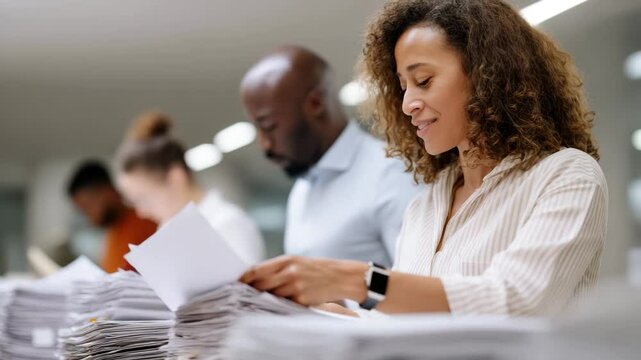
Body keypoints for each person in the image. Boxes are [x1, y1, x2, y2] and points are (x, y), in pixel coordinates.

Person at [241, 0, 608, 317]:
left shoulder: (567, 176)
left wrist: (356, 280)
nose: (407, 104)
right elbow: (408, 328)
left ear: (486, 75)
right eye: (403, 87)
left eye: (424, 81)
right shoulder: (427, 204)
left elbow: (517, 300)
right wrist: (317, 313)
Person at [240, 46, 422, 267]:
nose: (265, 145)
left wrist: (347, 292)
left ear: (315, 104)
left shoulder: (392, 173)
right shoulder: (302, 189)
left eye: (269, 126)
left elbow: (422, 286)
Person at [115, 111, 265, 264]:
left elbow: (245, 286)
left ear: (176, 177)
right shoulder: (166, 230)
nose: (141, 212)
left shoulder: (228, 223)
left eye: (144, 199)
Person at [67, 160, 157, 273]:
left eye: (88, 206)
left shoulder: (145, 219)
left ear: (107, 191)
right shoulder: (112, 234)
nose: (89, 218)